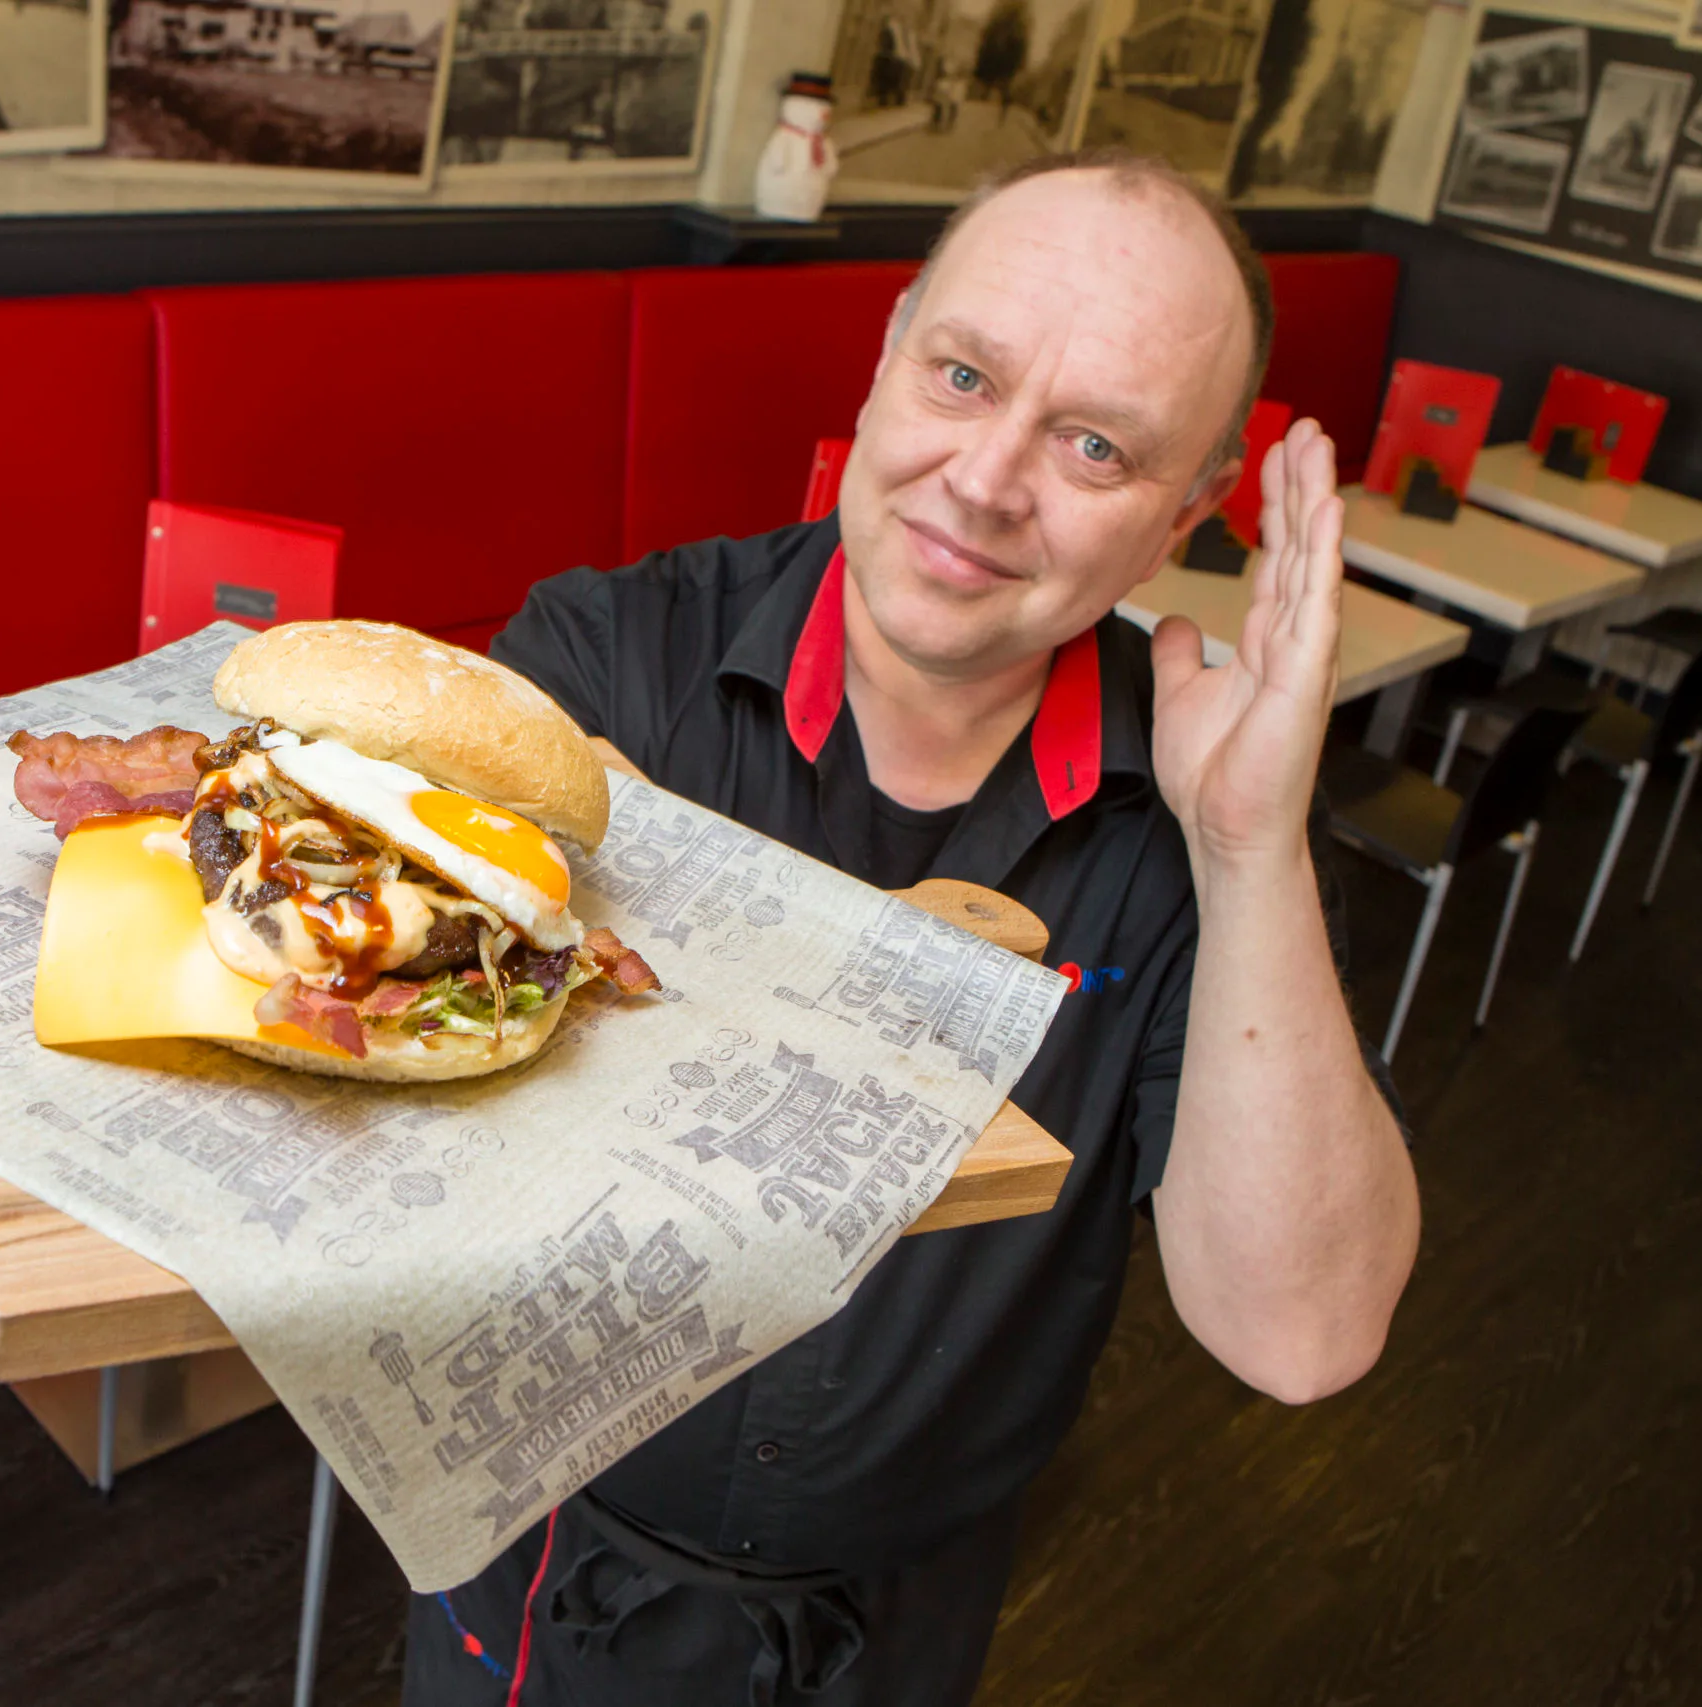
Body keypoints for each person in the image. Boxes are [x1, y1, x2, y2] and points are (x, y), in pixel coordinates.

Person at [407, 148, 1422, 1704]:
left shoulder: (1202, 814)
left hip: (900, 1620)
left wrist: (1248, 848)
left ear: (1185, 514)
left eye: (1095, 444)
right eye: (964, 374)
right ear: (888, 354)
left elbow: (1302, 1332)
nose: (989, 480)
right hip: (544, 1555)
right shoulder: (601, 670)